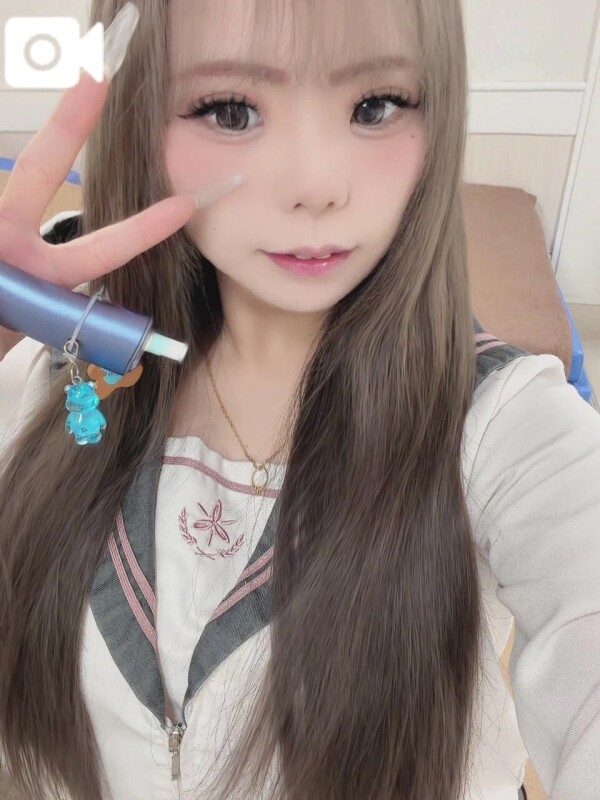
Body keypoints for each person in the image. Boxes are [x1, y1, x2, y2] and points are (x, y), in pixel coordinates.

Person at [0, 0, 598, 798]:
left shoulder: (505, 430)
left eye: (374, 106)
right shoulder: (59, 370)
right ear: (142, 118)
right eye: (230, 110)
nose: (317, 185)